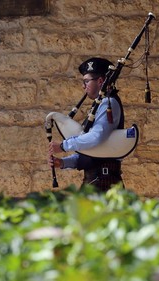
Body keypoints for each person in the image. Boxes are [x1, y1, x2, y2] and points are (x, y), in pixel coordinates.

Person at [48, 57, 124, 192]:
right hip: (96, 179)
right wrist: (64, 162)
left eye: (86, 81)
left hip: (103, 181)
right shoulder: (101, 104)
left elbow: (96, 137)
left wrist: (63, 145)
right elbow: (93, 151)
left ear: (100, 81)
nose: (83, 86)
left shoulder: (108, 103)